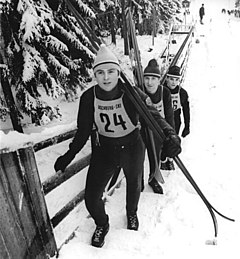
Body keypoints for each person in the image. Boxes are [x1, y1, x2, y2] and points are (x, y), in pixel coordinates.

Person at [54, 44, 182, 248]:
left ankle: (132, 213)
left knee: (134, 183)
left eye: (111, 71)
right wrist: (69, 155)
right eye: (101, 72)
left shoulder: (131, 93)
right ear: (95, 75)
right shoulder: (89, 97)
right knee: (91, 197)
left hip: (132, 146)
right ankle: (102, 223)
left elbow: (154, 116)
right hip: (105, 149)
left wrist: (170, 134)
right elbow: (84, 130)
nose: (106, 77)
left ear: (118, 72)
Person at [143, 59, 175, 194]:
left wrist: (172, 134)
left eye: (153, 79)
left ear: (158, 80)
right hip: (143, 128)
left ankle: (153, 178)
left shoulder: (164, 92)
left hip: (158, 129)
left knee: (155, 155)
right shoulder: (140, 90)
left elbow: (169, 116)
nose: (149, 82)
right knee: (137, 156)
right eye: (147, 78)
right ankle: (138, 181)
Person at [164, 65, 190, 138]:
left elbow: (186, 110)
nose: (174, 82)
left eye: (176, 80)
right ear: (167, 78)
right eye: (172, 79)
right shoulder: (161, 90)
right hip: (162, 122)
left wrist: (187, 126)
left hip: (175, 123)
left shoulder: (182, 93)